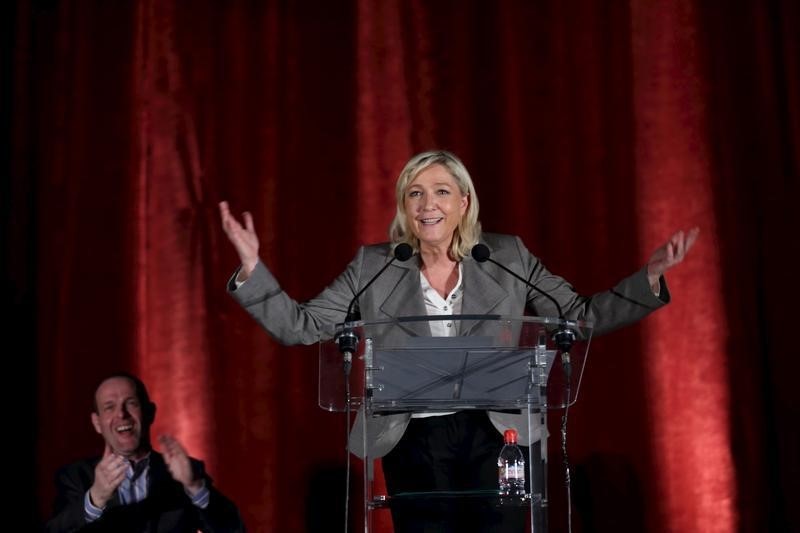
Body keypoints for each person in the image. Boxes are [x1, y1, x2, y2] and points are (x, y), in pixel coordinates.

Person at [219, 150, 698, 532]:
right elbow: (301, 326)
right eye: (415, 193)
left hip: (500, 434)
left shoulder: (506, 255)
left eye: (442, 192)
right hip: (411, 438)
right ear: (404, 206)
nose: (429, 205)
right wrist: (252, 269)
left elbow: (577, 315)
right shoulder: (375, 265)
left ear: (464, 202)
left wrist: (649, 277)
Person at [45, 372, 246, 533]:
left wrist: (194, 487)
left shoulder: (187, 473)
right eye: (109, 407)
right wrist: (95, 499)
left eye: (131, 403)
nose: (121, 414)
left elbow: (232, 528)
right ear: (97, 423)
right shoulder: (74, 477)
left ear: (150, 413)